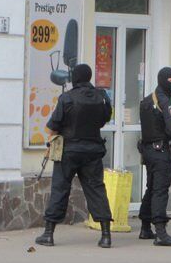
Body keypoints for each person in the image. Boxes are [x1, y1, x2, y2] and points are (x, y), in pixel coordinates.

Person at [35, 64, 114, 248]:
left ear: (75, 78)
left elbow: (54, 124)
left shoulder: (67, 98)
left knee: (60, 189)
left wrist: (51, 141)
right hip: (93, 151)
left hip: (68, 151)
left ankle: (48, 234)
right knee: (96, 190)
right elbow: (104, 119)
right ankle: (105, 236)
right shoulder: (102, 97)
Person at [138, 66, 171, 246]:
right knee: (160, 190)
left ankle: (145, 227)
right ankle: (160, 232)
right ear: (164, 81)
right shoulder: (166, 102)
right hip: (161, 152)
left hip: (148, 151)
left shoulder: (147, 101)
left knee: (151, 188)